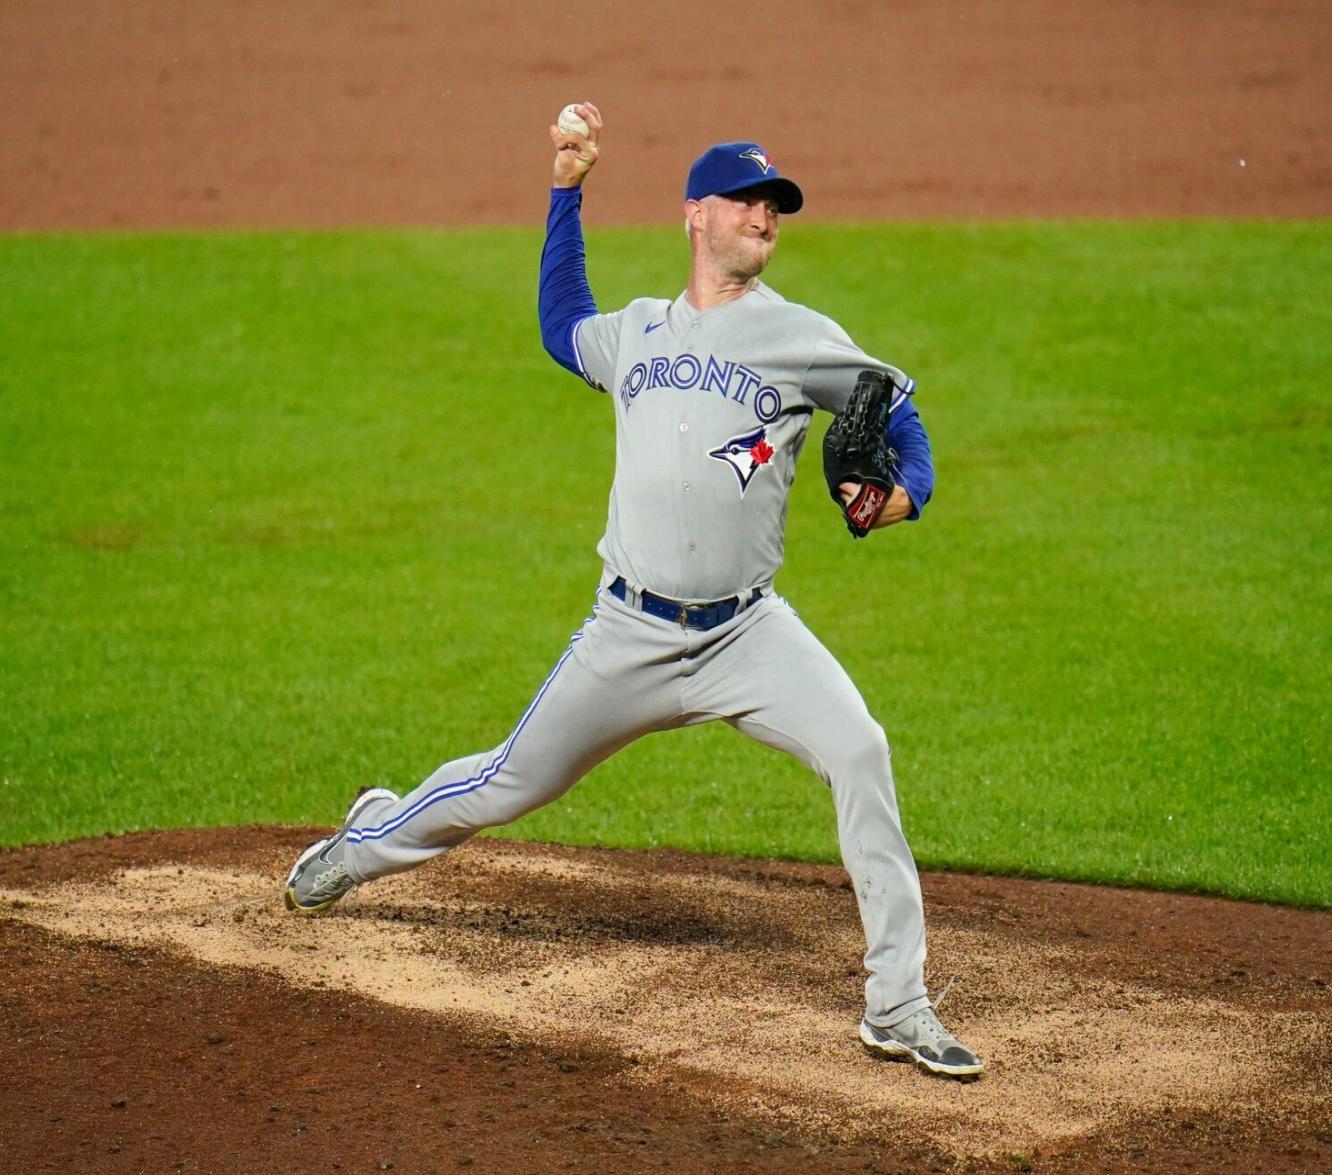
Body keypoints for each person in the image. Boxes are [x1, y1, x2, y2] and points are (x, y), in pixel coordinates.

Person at [283, 102, 983, 1080]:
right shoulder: (639, 331)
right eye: (746, 202)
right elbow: (561, 323)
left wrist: (905, 493)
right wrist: (566, 188)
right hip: (628, 633)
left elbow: (894, 410)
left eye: (775, 206)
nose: (765, 218)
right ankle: (362, 842)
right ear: (695, 214)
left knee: (860, 747)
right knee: (503, 783)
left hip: (748, 634)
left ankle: (897, 1003)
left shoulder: (803, 336)